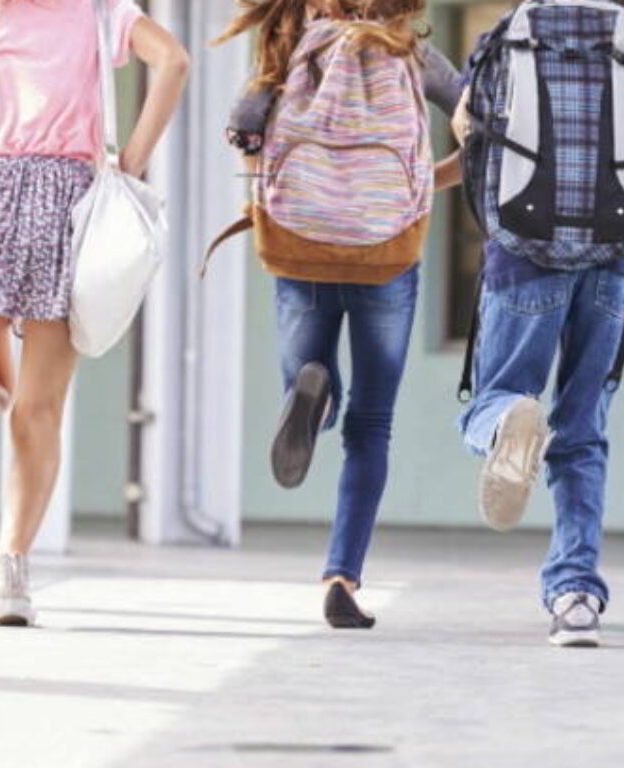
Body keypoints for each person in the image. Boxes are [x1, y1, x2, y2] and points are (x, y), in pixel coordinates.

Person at [453, 0, 624, 647]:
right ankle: (575, 597)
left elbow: (464, 127)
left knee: (497, 394)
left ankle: (509, 420)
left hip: (524, 249)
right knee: (583, 425)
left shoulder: (511, 34)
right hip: (616, 256)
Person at [217, 0, 462, 630]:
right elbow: (480, 119)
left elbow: (245, 131)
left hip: (301, 240)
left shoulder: (287, 51)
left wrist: (267, 191)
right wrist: (422, 187)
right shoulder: (411, 53)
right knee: (372, 424)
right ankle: (342, 575)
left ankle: (313, 395)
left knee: (309, 378)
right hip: (387, 249)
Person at [0, 0, 188, 626]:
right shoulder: (97, 9)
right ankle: (11, 571)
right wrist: (130, 159)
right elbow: (174, 62)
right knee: (41, 406)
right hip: (67, 207)